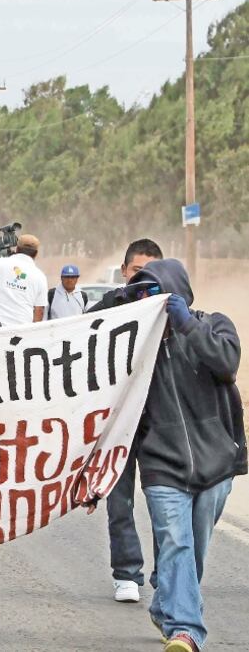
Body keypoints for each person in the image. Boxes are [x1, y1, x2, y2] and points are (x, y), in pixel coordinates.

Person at [126, 259, 244, 652]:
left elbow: (226, 365)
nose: (147, 299)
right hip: (162, 466)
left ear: (178, 291)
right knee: (176, 543)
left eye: (155, 290)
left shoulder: (215, 325)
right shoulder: (134, 348)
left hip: (215, 465)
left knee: (192, 549)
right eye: (140, 293)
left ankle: (167, 605)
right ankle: (186, 630)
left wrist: (187, 327)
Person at [88, 238, 164, 604]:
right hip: (118, 422)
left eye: (152, 270)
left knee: (166, 503)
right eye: (137, 271)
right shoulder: (106, 307)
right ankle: (126, 574)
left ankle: (167, 575)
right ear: (124, 272)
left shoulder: (173, 310)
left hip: (162, 422)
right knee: (119, 502)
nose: (145, 278)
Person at [0, 234, 47, 326]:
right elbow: (39, 311)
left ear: (17, 249)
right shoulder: (40, 276)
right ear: (36, 254)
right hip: (22, 331)